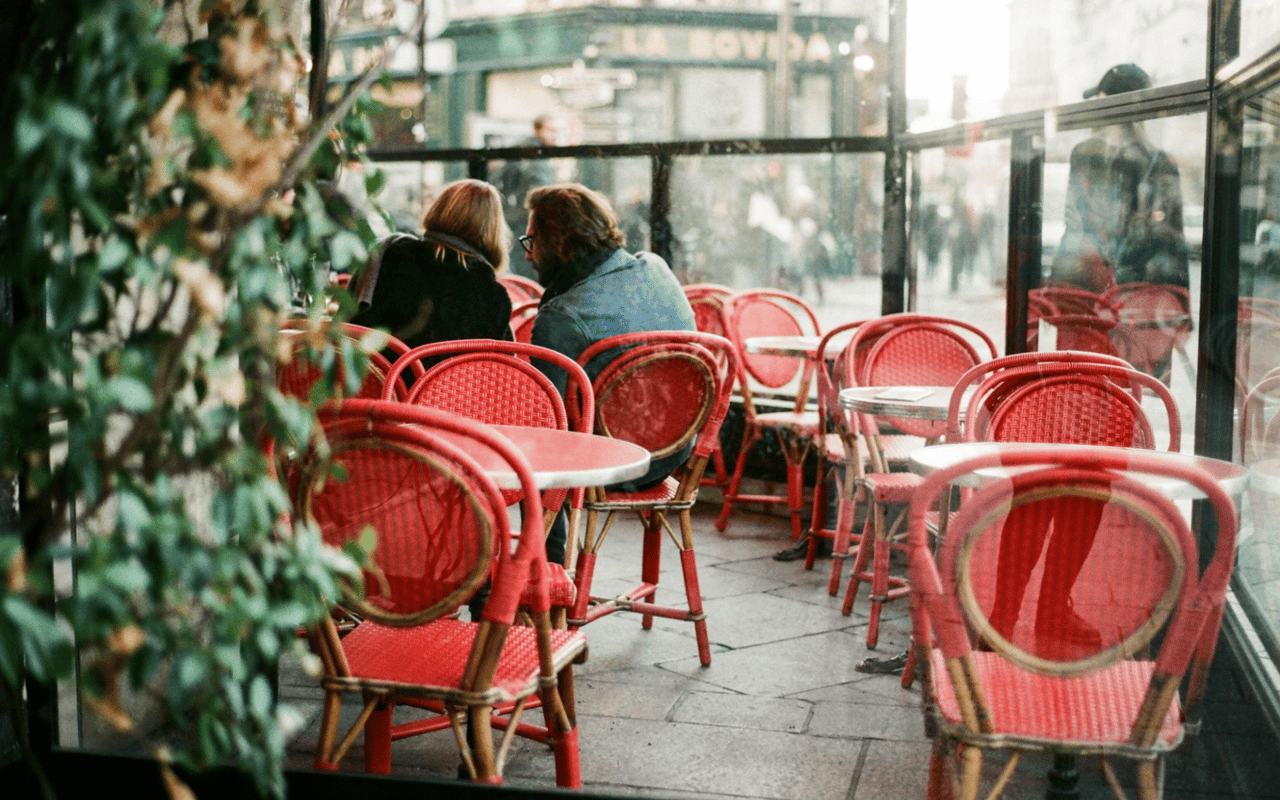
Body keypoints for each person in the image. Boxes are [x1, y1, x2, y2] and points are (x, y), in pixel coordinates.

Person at [522, 183, 697, 564]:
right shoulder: (657, 268)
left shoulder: (562, 316)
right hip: (677, 451)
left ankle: (542, 580)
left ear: (560, 244)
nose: (529, 254)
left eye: (533, 241)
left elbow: (545, 422)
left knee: (532, 453)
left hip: (615, 466)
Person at [1049, 63, 1190, 294]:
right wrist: (1179, 300)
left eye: (1099, 99)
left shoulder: (1084, 154)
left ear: (1107, 102)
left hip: (1087, 286)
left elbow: (1074, 224)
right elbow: (1173, 241)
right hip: (1139, 289)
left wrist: (1058, 286)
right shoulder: (1161, 162)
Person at [350, 179, 513, 362]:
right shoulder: (493, 295)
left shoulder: (388, 254)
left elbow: (346, 324)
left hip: (376, 384)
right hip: (445, 390)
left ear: (439, 209)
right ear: (493, 229)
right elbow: (497, 370)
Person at [497, 114, 561, 279]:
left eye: (557, 131)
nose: (555, 135)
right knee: (529, 264)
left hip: (517, 215)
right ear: (536, 130)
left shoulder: (525, 149)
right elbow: (540, 190)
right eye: (551, 130)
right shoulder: (535, 154)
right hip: (526, 217)